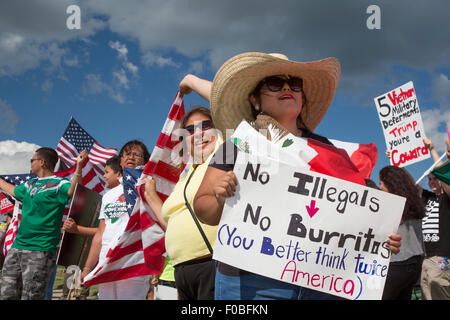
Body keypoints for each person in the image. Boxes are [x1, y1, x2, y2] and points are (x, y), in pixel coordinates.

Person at [190, 52, 402, 300]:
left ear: (302, 97)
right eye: (275, 83)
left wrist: (381, 238)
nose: (288, 87)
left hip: (320, 282)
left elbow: (361, 214)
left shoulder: (330, 152)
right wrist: (219, 196)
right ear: (254, 98)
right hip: (250, 281)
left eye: (295, 84)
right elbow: (202, 207)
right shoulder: (240, 145)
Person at [143, 103, 222, 300]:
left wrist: (190, 81)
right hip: (182, 269)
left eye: (205, 126)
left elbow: (234, 109)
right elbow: (172, 223)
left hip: (213, 264)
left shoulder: (223, 153)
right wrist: (151, 197)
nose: (198, 133)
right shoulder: (184, 178)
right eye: (190, 130)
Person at [0, 147, 87, 300]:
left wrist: (79, 167)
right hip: (17, 247)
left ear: (42, 162)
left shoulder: (59, 183)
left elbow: (73, 191)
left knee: (32, 296)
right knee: (6, 294)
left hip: (41, 250)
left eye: (32, 160)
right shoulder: (29, 184)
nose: (30, 163)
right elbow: (13, 190)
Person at [378, 166, 425, 300]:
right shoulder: (414, 203)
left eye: (381, 183)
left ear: (391, 183)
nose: (380, 187)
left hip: (396, 264)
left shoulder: (392, 205)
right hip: (415, 265)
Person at [420, 138, 450, 300]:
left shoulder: (447, 198)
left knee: (438, 290)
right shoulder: (427, 197)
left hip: (443, 257)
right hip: (427, 258)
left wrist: (432, 149)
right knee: (427, 294)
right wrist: (396, 159)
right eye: (429, 179)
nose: (432, 181)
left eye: (435, 178)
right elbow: (407, 184)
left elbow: (444, 175)